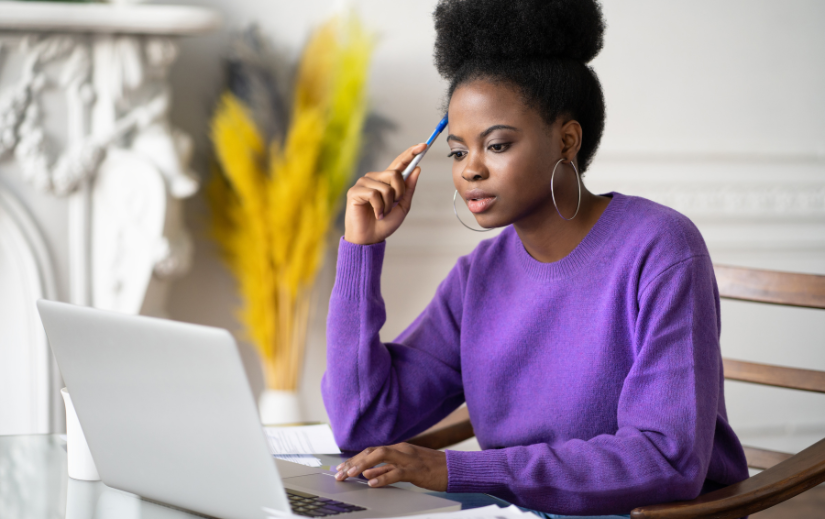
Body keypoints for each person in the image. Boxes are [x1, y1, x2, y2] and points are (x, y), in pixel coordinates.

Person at [321, 1, 750, 517]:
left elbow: (666, 457)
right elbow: (361, 422)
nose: (470, 171)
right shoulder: (478, 276)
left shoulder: (660, 248)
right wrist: (360, 251)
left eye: (496, 145)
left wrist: (457, 469)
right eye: (457, 152)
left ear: (567, 140)